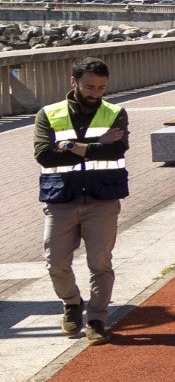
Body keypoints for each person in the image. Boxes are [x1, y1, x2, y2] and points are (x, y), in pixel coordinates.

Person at [34, 57, 129, 344]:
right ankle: (72, 303)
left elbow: (117, 152)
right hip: (61, 197)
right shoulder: (49, 113)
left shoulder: (115, 112)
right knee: (55, 262)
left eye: (101, 88)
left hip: (102, 198)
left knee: (100, 262)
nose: (95, 93)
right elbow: (44, 154)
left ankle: (98, 318)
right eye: (89, 86)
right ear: (73, 82)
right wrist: (98, 145)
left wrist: (73, 146)